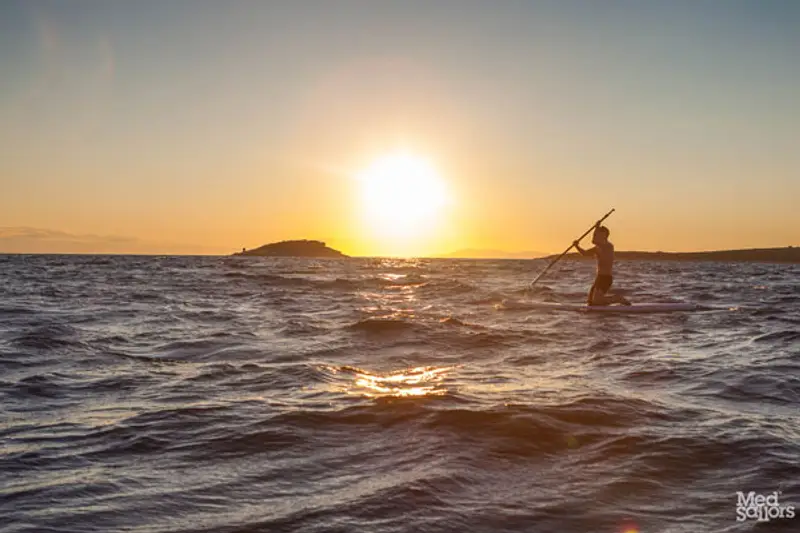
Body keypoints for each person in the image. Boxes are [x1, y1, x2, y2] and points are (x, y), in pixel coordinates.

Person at [573, 225, 631, 306]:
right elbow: (585, 253)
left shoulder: (608, 246)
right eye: (594, 235)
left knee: (596, 301)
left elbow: (594, 241)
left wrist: (596, 228)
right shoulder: (597, 248)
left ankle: (617, 298)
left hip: (605, 278)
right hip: (599, 277)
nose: (594, 236)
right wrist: (577, 246)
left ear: (604, 235)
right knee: (591, 302)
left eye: (596, 235)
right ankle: (604, 304)